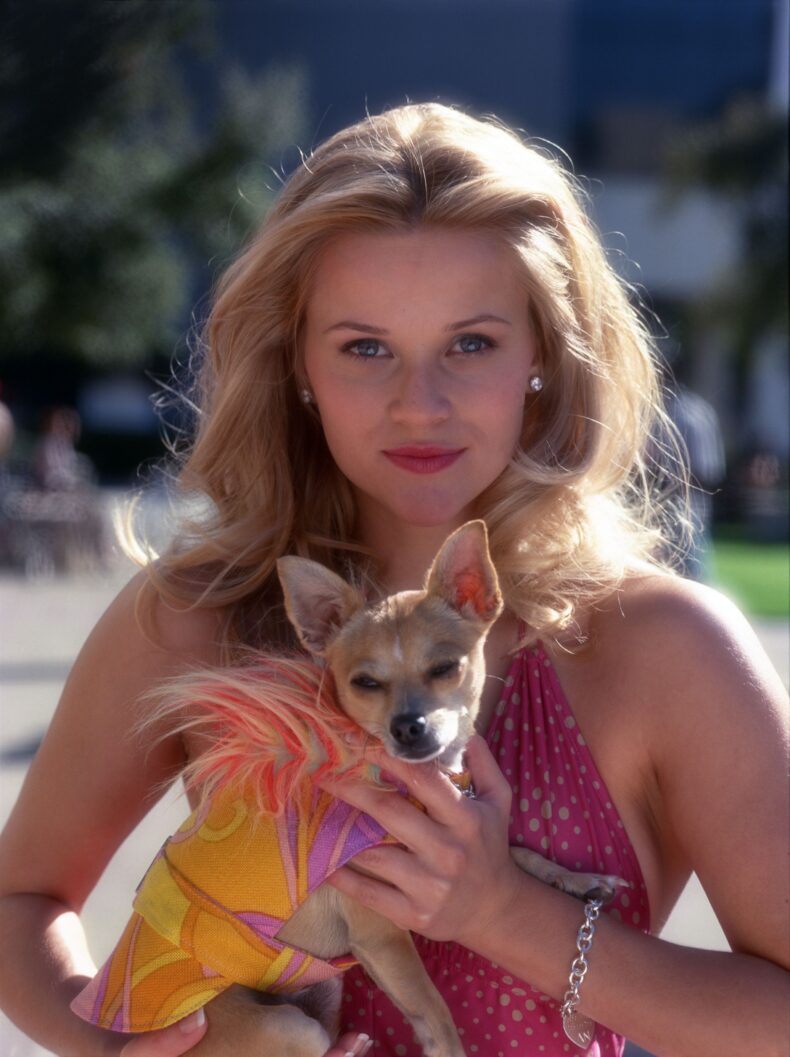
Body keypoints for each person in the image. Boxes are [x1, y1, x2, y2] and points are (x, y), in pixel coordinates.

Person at [0, 102, 787, 1057]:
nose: (420, 405)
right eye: (366, 347)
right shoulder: (200, 617)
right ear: (296, 360)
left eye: (471, 342)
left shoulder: (663, 649)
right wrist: (116, 1051)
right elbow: (20, 899)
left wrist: (508, 912)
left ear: (545, 350)